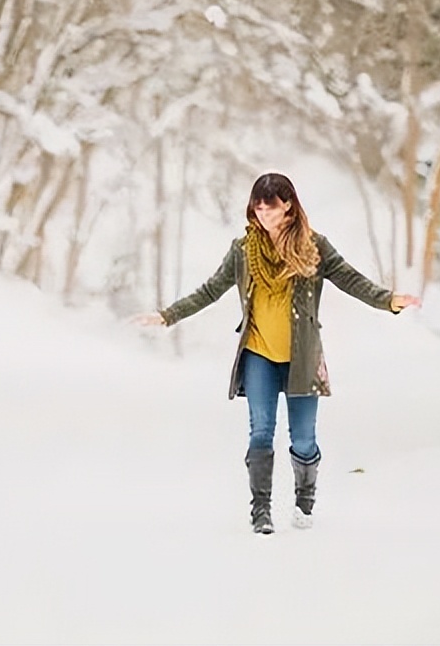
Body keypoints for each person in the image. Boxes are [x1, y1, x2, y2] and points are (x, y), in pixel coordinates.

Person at [135, 173, 420, 535]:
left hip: (302, 357)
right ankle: (261, 510)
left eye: (269, 205)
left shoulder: (314, 249)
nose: (262, 212)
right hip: (259, 354)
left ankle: (304, 499)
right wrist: (167, 315)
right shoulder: (243, 251)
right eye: (257, 205)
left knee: (303, 438)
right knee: (261, 431)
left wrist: (389, 301)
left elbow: (352, 279)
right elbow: (210, 290)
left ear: (288, 205)